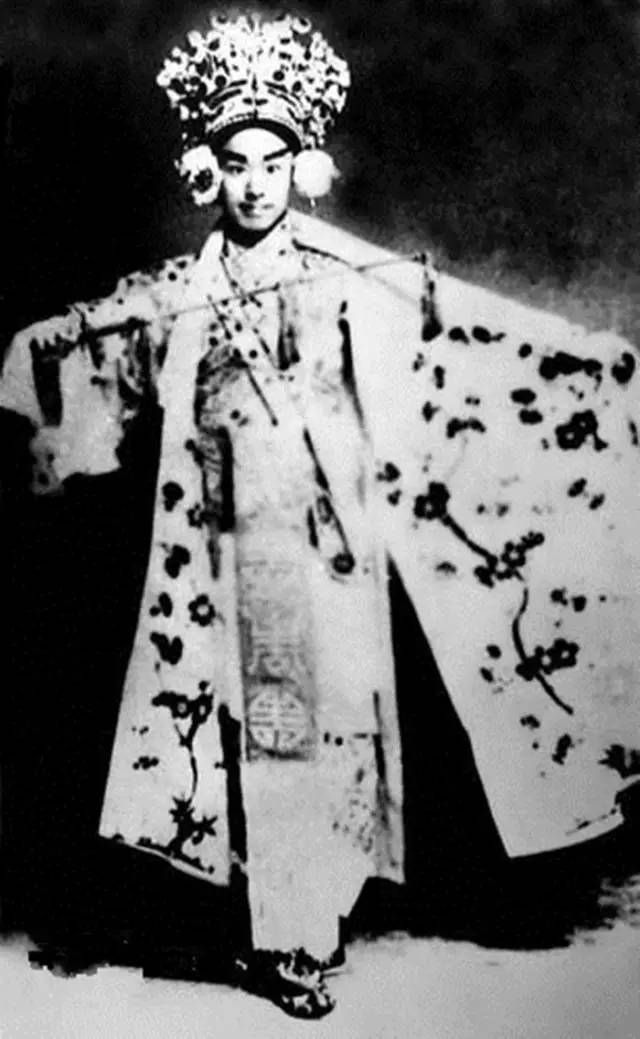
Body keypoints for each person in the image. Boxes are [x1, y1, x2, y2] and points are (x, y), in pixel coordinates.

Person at [2, 9, 639, 1020]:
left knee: (328, 733)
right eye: (235, 163)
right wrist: (44, 346)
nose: (255, 183)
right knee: (263, 737)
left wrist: (582, 358)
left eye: (273, 162)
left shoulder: (348, 277)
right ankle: (286, 935)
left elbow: (464, 335)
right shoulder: (178, 290)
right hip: (226, 556)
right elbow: (95, 343)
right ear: (207, 172)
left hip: (329, 545)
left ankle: (310, 913)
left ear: (301, 168)